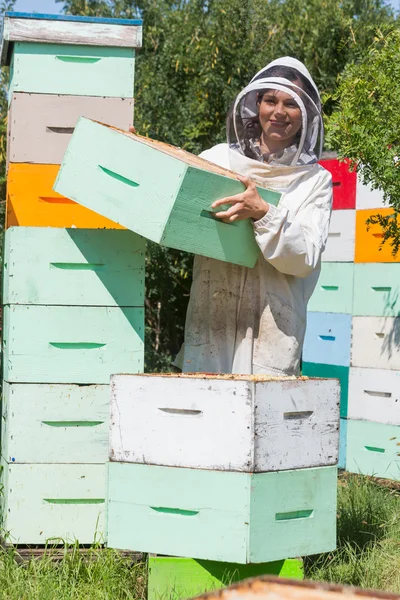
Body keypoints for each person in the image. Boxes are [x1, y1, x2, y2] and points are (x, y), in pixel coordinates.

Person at [173, 56, 333, 376]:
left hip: (273, 334)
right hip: (210, 324)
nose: (278, 112)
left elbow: (305, 258)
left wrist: (265, 214)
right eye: (270, 100)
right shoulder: (218, 158)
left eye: (291, 104)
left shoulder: (316, 181)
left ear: (305, 115)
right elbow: (174, 209)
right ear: (256, 104)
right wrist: (137, 152)